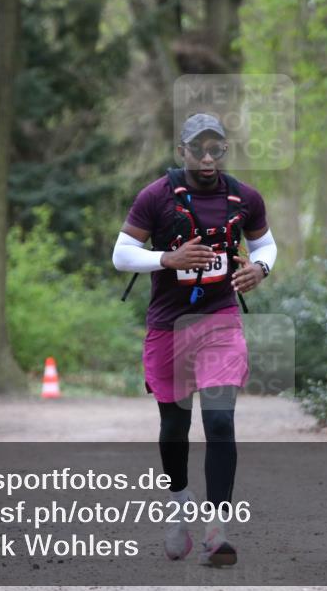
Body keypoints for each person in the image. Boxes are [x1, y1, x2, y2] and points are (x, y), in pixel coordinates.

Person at [112, 113, 277, 566]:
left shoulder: (244, 197)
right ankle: (179, 503)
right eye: (198, 149)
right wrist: (169, 258)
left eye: (216, 149)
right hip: (168, 325)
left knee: (220, 421)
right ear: (181, 150)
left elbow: (265, 244)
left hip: (220, 320)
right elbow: (121, 254)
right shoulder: (155, 197)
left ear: (224, 151)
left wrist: (260, 268)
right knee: (175, 428)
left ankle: (217, 530)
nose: (207, 158)